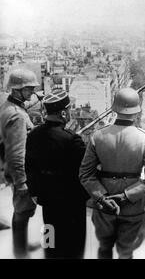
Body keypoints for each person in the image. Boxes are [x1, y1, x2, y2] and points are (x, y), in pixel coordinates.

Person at [79, 87, 145, 259]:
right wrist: (125, 196)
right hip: (134, 205)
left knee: (104, 247)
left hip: (104, 203)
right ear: (137, 112)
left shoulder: (98, 136)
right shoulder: (144, 139)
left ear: (114, 109)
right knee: (126, 252)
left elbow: (85, 174)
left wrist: (101, 197)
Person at [25, 89, 89, 258]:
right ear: (63, 112)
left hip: (47, 200)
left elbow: (29, 167)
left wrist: (35, 193)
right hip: (71, 203)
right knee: (74, 246)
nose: (70, 112)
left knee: (51, 241)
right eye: (69, 109)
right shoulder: (72, 139)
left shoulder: (33, 135)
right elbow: (84, 173)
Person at [0, 68, 40, 258]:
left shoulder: (9, 106)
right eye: (29, 89)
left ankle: (21, 245)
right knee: (23, 210)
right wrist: (22, 182)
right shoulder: (17, 115)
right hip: (20, 172)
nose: (32, 92)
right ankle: (20, 250)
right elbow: (16, 153)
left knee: (21, 210)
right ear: (17, 90)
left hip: (11, 170)